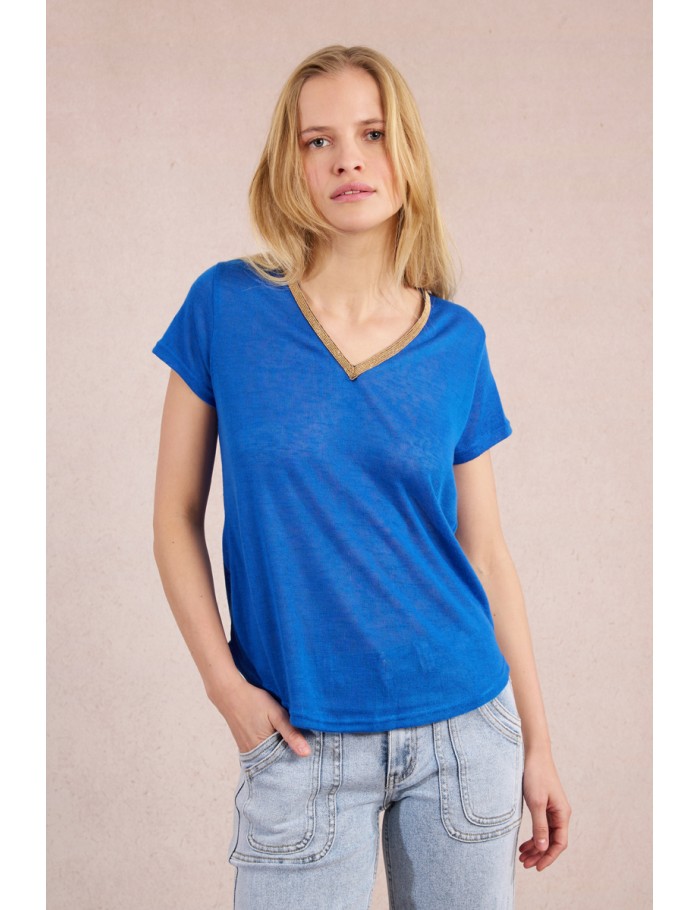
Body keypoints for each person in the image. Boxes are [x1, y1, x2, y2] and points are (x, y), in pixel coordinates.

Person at [151, 44, 571, 909]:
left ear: (405, 153)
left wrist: (538, 744)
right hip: (300, 740)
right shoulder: (225, 307)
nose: (348, 158)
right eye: (320, 141)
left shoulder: (456, 341)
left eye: (372, 133)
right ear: (291, 164)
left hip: (464, 735)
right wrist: (225, 688)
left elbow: (487, 554)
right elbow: (173, 517)